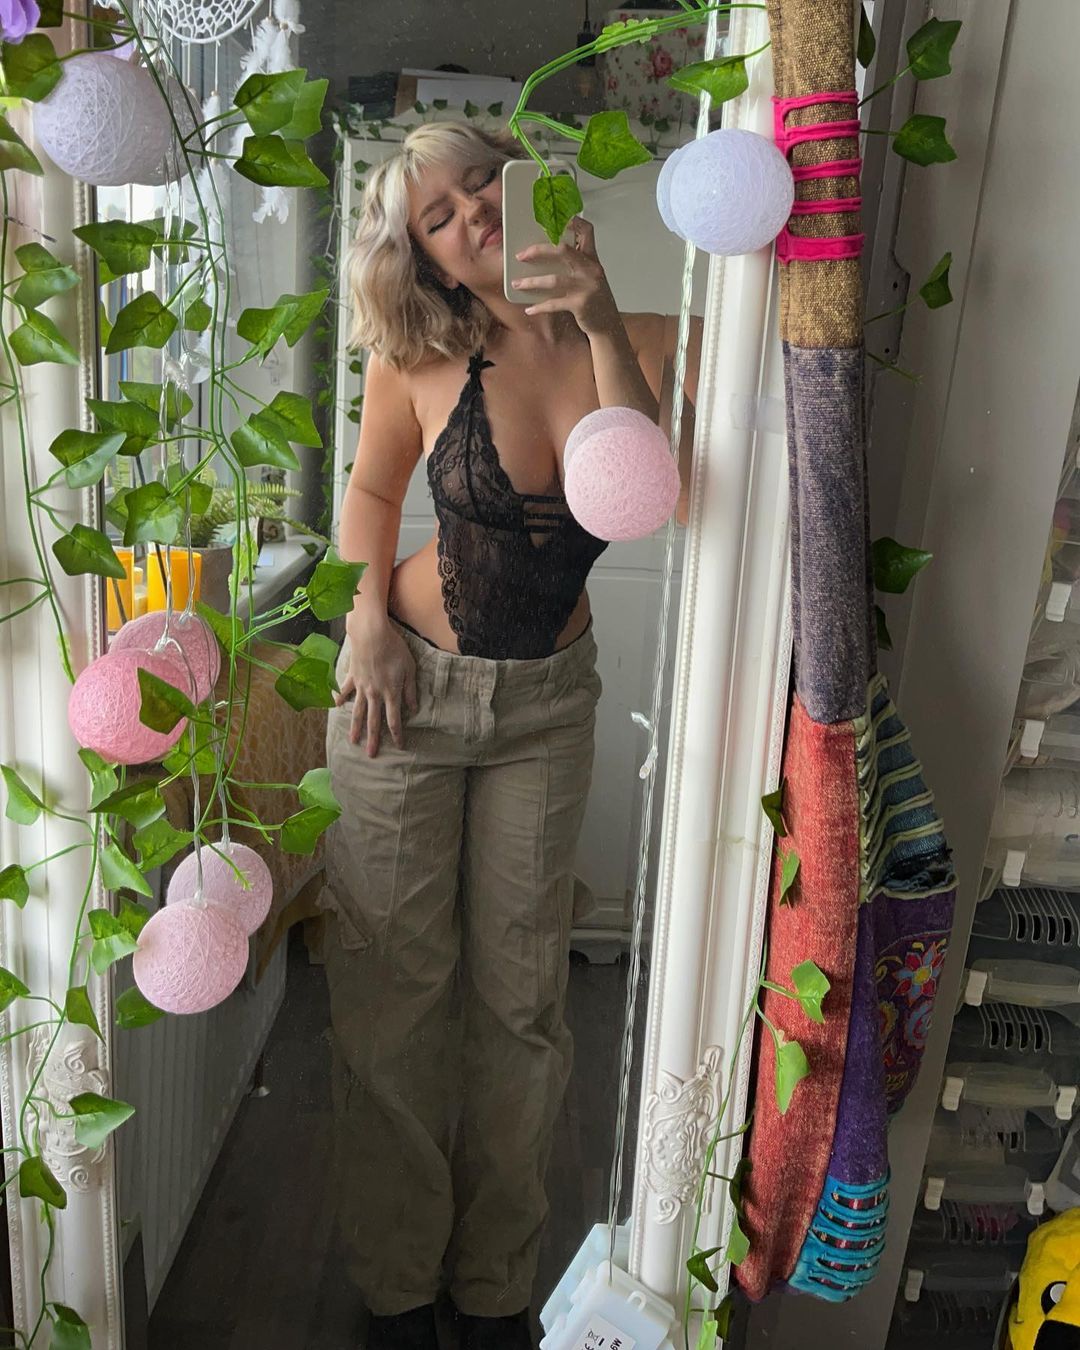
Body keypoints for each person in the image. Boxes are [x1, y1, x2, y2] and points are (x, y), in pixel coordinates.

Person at [321, 121, 695, 1350]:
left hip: (543, 711)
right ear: (426, 257)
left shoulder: (644, 337)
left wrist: (599, 317)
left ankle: (491, 1293)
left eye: (484, 182)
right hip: (406, 695)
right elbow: (372, 492)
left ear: (530, 180)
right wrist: (364, 623)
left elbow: (653, 490)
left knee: (523, 1006)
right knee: (392, 1001)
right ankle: (396, 1289)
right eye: (439, 215)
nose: (474, 212)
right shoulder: (419, 354)